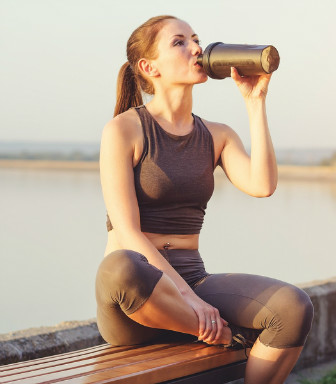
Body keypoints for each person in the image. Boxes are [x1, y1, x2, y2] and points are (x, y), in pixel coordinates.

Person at [95, 15, 314, 383]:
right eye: (179, 42)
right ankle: (221, 334)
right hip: (138, 302)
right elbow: (128, 231)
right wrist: (193, 304)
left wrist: (255, 101)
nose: (196, 48)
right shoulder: (123, 130)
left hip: (193, 278)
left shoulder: (217, 135)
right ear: (149, 67)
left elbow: (262, 185)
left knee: (293, 307)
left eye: (196, 39)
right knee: (121, 267)